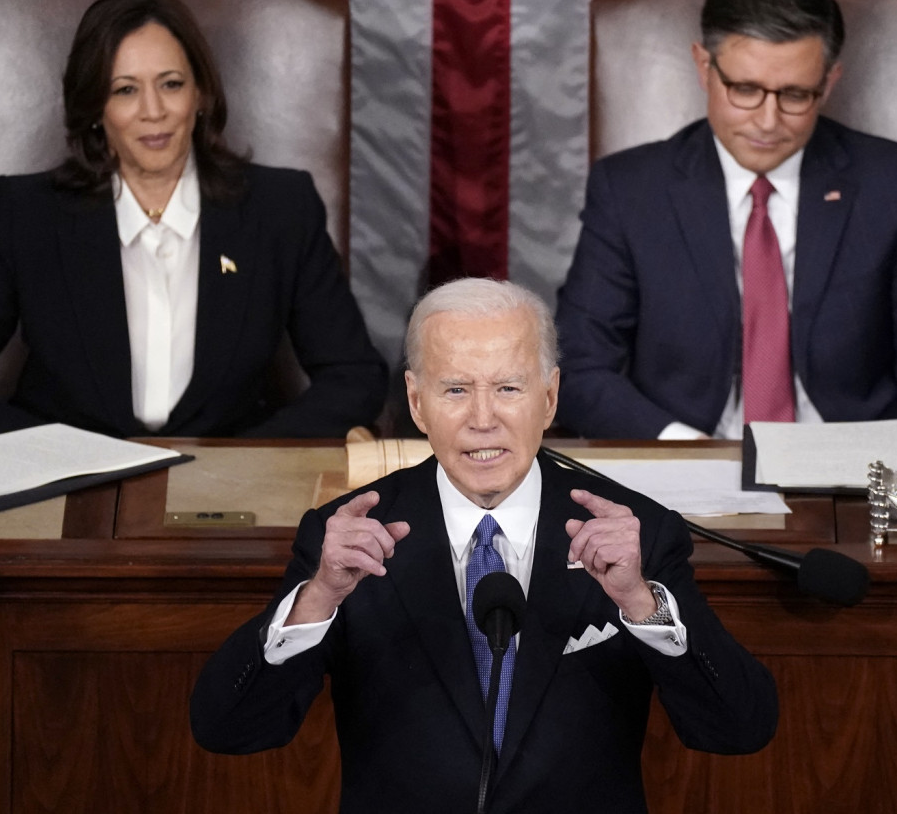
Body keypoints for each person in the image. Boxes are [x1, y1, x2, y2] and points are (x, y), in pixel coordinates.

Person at [190, 277, 777, 812]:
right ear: (416, 403)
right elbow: (227, 729)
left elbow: (740, 729)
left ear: (549, 399)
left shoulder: (632, 532)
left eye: (508, 387)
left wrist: (641, 604)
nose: (482, 419)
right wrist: (318, 598)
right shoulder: (348, 537)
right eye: (454, 390)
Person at [0, 0, 385, 439]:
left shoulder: (280, 208)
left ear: (200, 95)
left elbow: (354, 378)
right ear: (95, 108)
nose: (153, 111)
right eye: (125, 90)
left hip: (224, 507)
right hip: (66, 500)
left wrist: (244, 465)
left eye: (171, 84)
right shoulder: (28, 215)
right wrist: (54, 457)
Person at [555, 0, 897, 445]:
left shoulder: (896, 185)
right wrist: (692, 452)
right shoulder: (630, 189)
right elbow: (580, 370)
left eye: (796, 94)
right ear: (703, 67)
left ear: (830, 82)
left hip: (851, 471)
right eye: (745, 89)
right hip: (685, 463)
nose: (768, 120)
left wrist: (870, 465)